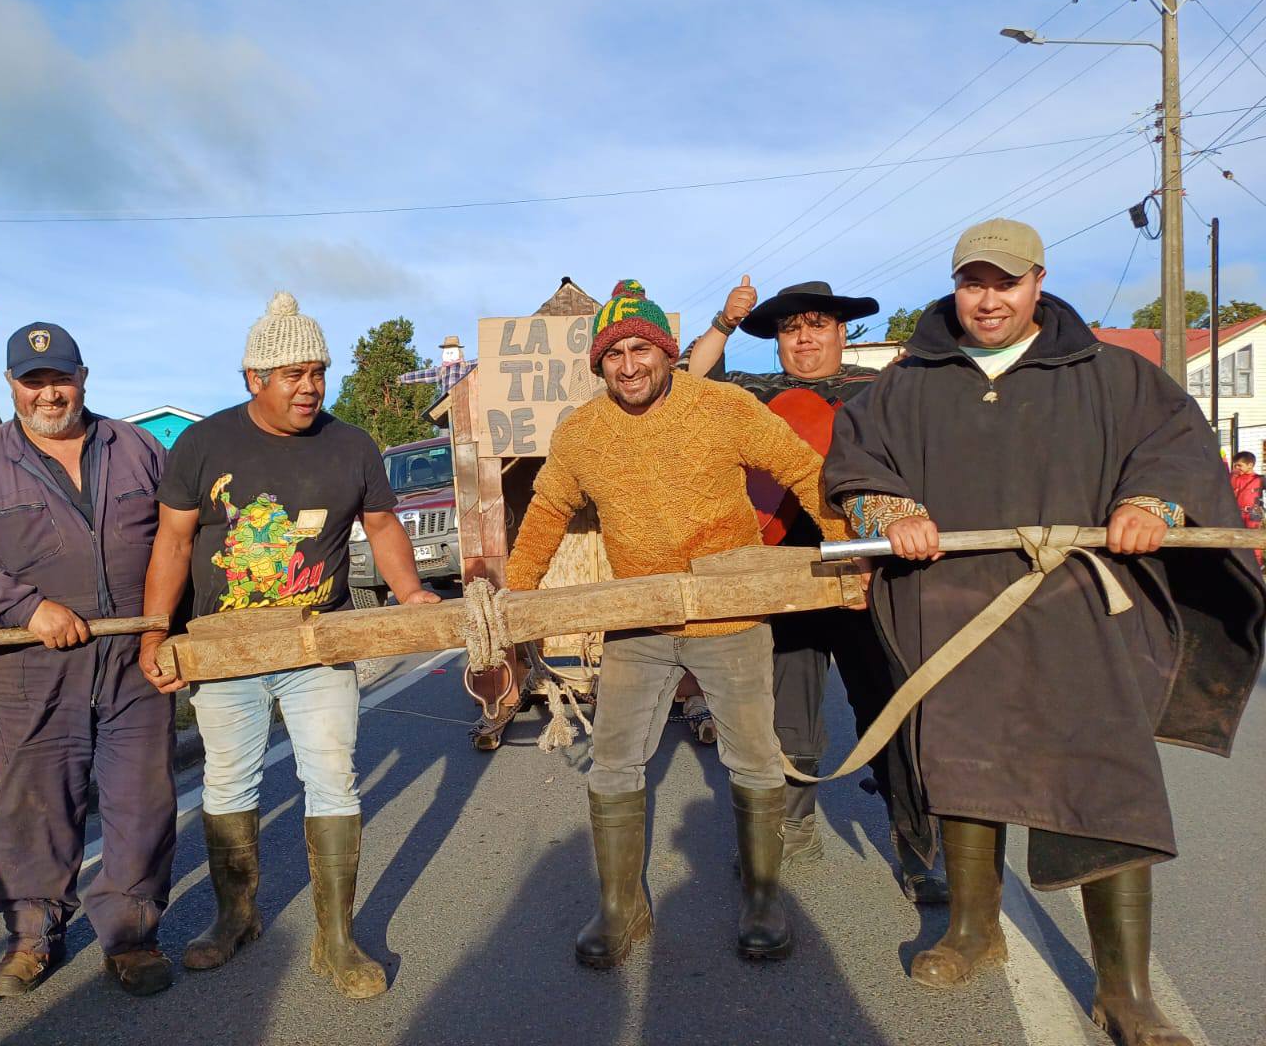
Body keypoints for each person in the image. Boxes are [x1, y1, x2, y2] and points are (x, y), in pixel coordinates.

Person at [825, 219, 1264, 1046]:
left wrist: (1151, 504)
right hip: (952, 609)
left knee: (1106, 777)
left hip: (1080, 612)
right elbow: (858, 459)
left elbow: (1173, 448)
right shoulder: (906, 385)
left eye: (1005, 283)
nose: (987, 301)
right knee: (962, 763)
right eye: (972, 283)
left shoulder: (1114, 375)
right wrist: (888, 510)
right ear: (954, 287)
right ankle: (974, 931)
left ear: (1037, 283)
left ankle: (1125, 990)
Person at [505, 279, 849, 969]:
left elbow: (802, 470)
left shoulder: (721, 406)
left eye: (641, 348)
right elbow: (544, 513)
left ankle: (761, 897)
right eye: (613, 354)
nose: (629, 365)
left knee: (752, 756)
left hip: (731, 612)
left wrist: (847, 546)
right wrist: (516, 597)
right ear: (599, 365)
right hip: (638, 616)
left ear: (665, 350)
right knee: (613, 762)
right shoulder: (581, 432)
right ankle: (619, 908)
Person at [140, 292, 439, 1000]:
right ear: (254, 378)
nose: (309, 388)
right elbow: (173, 541)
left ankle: (337, 942)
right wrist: (156, 629)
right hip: (225, 651)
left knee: (331, 779)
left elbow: (384, 525)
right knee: (227, 782)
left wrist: (411, 593)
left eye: (318, 373)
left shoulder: (351, 445)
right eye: (293, 375)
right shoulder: (203, 444)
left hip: (319, 643)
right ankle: (235, 917)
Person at [0, 323, 176, 998]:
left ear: (84, 376)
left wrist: (180, 630)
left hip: (135, 656)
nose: (48, 393)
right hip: (26, 668)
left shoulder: (138, 448)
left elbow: (181, 537)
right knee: (33, 808)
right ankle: (32, 937)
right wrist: (26, 609)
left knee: (142, 800)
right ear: (12, 385)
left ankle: (131, 935)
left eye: (59, 378)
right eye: (32, 381)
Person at [686, 278, 947, 902]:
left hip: (870, 570)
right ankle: (790, 828)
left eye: (817, 325)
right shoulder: (751, 395)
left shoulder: (883, 388)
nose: (804, 337)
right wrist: (724, 321)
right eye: (790, 327)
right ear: (777, 340)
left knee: (890, 707)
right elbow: (689, 383)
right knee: (788, 715)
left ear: (839, 331)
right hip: (784, 574)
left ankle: (916, 847)